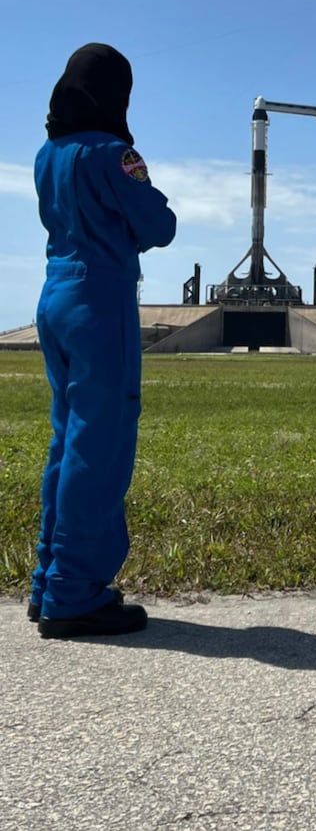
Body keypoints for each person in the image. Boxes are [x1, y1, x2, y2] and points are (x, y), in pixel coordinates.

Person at [30, 43, 177, 639]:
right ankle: (76, 593)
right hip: (100, 300)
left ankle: (48, 581)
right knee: (102, 443)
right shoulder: (115, 155)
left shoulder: (48, 153)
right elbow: (158, 225)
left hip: (54, 295)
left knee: (67, 440)